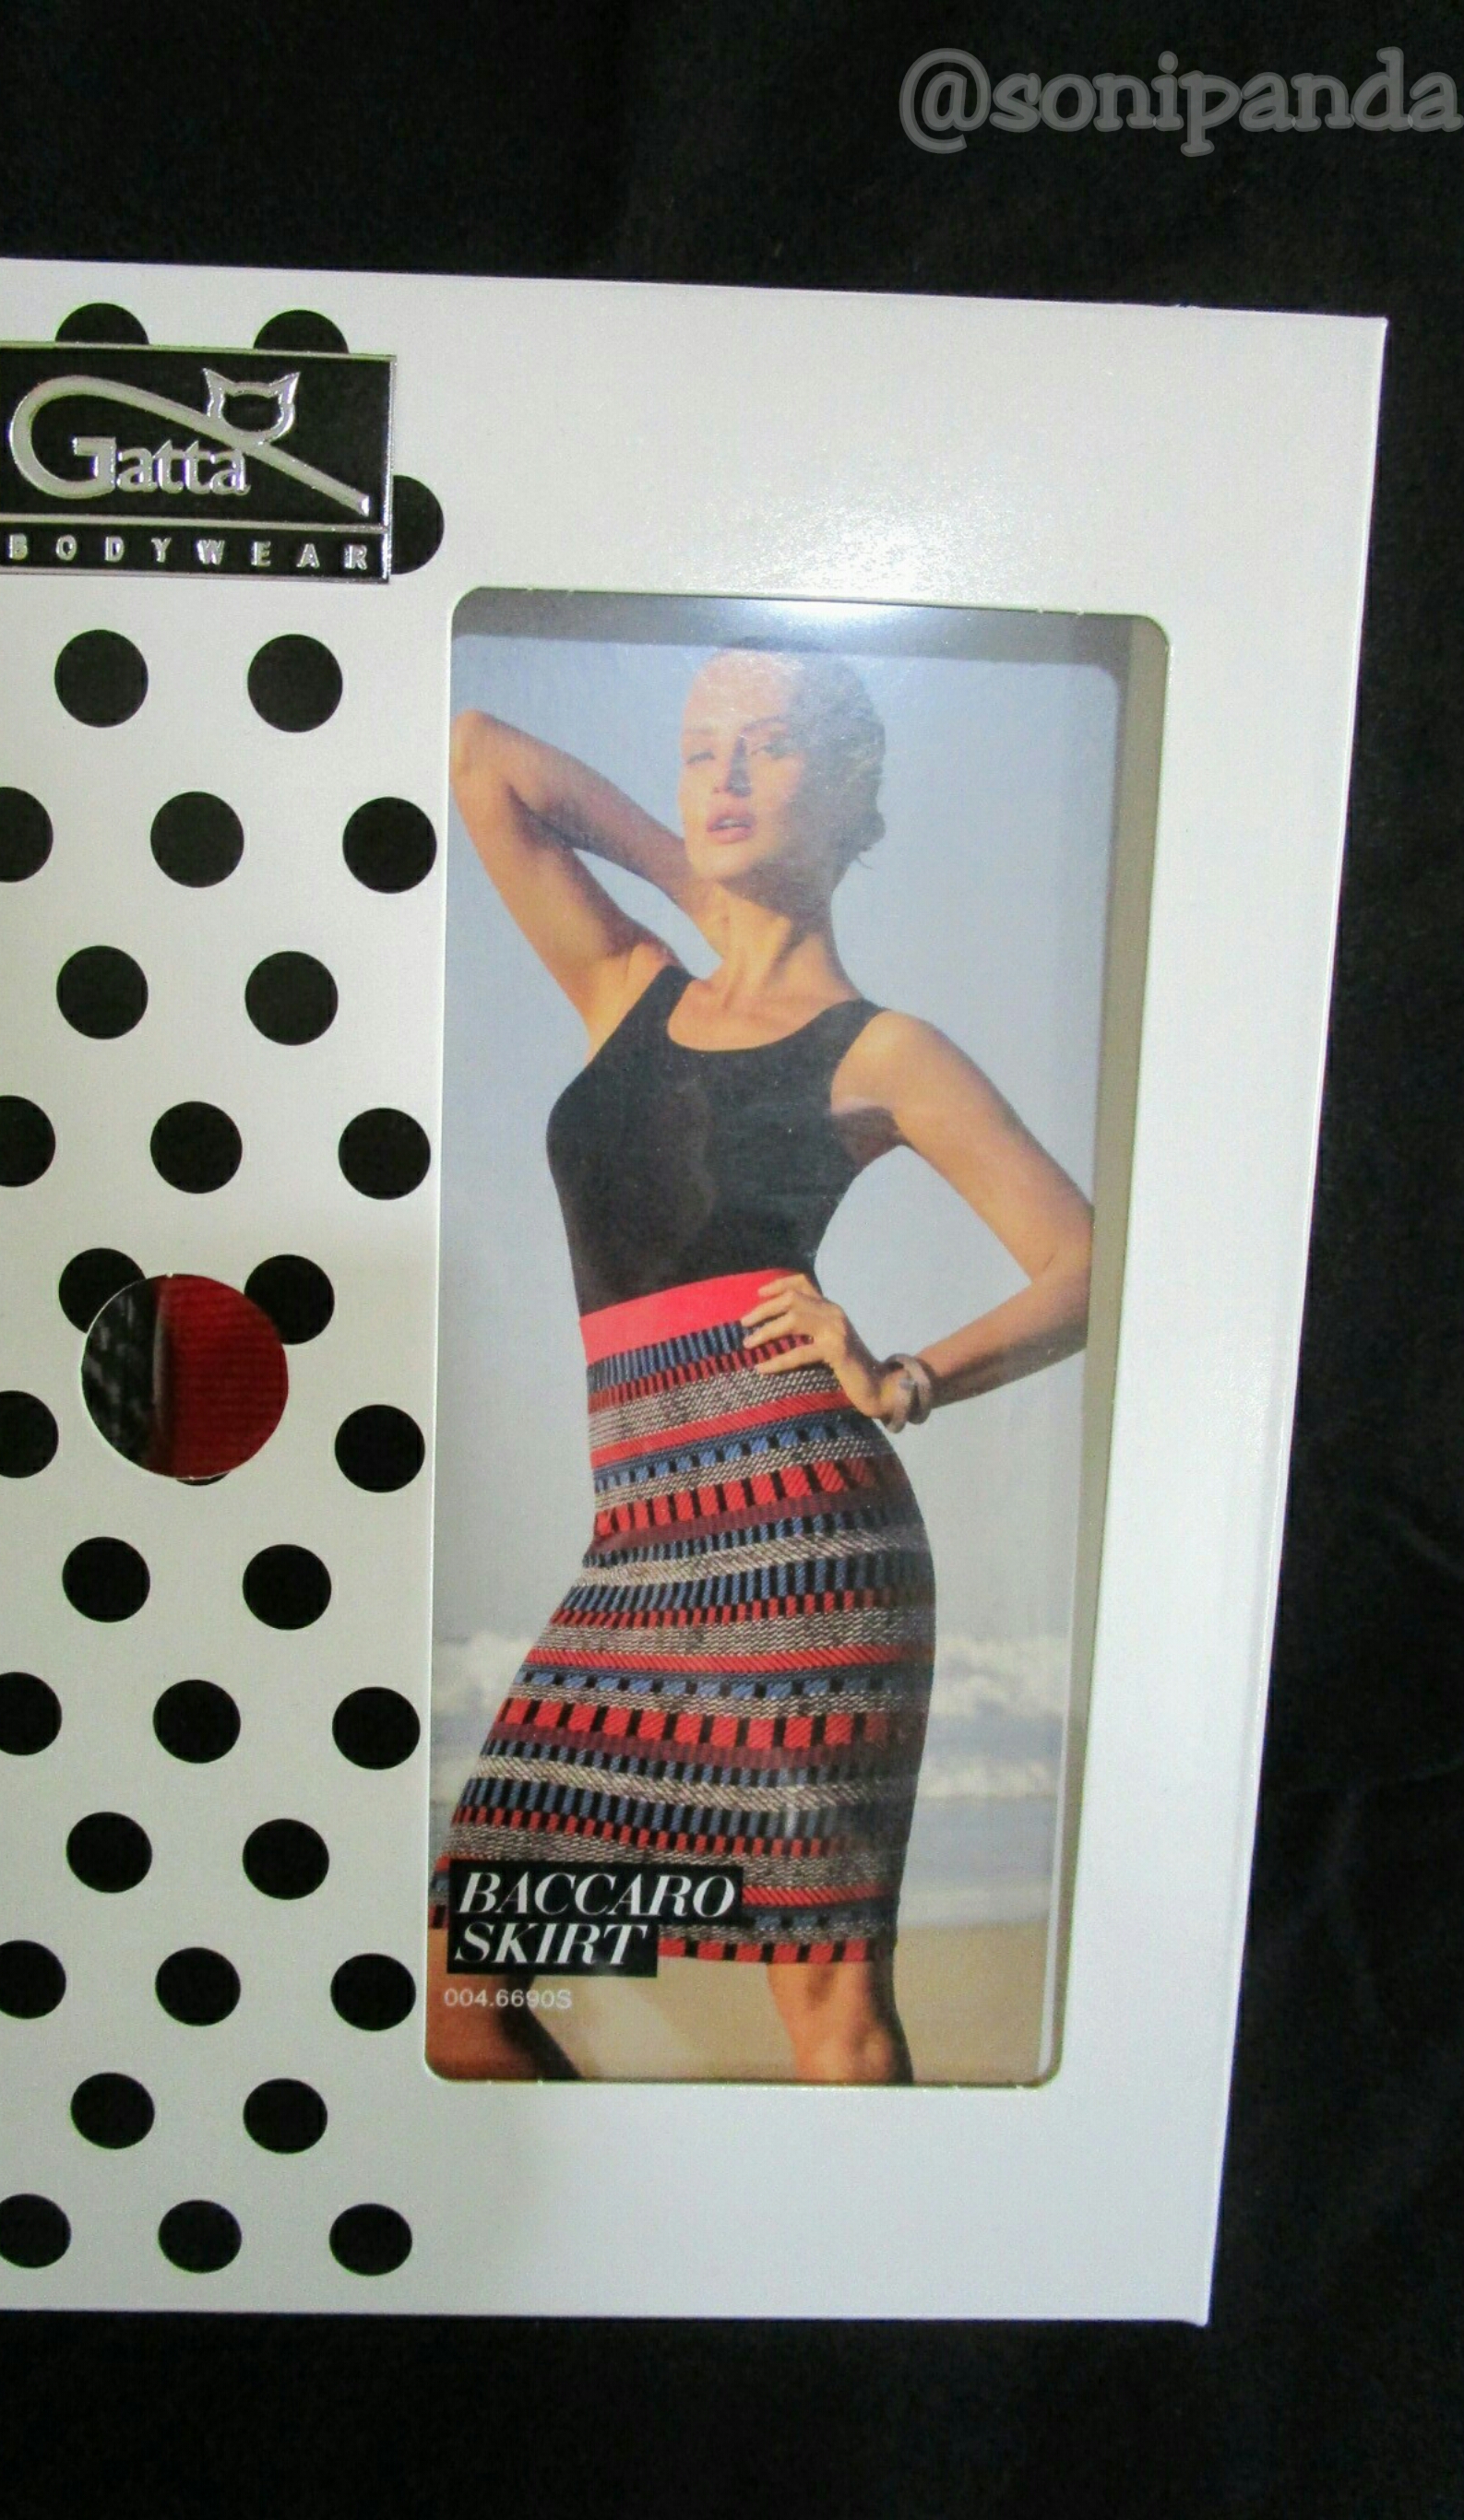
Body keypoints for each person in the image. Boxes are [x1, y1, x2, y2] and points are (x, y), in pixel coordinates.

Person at [425, 647, 1093, 2085]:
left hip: (803, 1548)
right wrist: (708, 883)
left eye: (771, 746)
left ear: (851, 788)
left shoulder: (886, 1051)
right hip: (637, 1548)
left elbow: (1090, 1263)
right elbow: (482, 756)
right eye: (699, 749)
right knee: (468, 1983)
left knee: (828, 2013)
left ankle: (867, 2241)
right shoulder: (626, 985)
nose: (724, 773)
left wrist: (908, 1376)